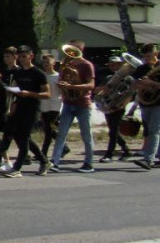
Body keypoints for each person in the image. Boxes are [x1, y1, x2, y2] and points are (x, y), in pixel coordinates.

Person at [2, 45, 51, 177]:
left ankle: (17, 168)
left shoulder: (38, 73)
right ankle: (44, 161)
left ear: (31, 56)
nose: (22, 59)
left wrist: (29, 93)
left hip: (33, 108)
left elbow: (47, 94)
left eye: (24, 56)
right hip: (20, 107)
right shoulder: (18, 73)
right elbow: (18, 90)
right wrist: (14, 103)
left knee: (23, 137)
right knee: (19, 136)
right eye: (20, 57)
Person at [49, 40, 96, 173]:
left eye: (74, 49)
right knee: (61, 134)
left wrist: (72, 86)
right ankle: (54, 161)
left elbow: (91, 85)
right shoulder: (67, 64)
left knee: (86, 135)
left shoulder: (87, 65)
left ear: (81, 49)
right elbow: (61, 80)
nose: (70, 52)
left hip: (83, 103)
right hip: (69, 102)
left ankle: (89, 163)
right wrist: (63, 84)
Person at [96, 54, 133, 162]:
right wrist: (104, 89)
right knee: (113, 131)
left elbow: (130, 93)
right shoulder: (108, 78)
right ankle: (126, 150)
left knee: (113, 131)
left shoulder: (128, 78)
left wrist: (123, 104)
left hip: (119, 106)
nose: (113, 66)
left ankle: (109, 155)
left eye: (115, 64)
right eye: (111, 64)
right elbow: (97, 90)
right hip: (108, 105)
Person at [132, 45, 160, 170]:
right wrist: (140, 86)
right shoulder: (141, 69)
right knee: (151, 131)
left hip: (158, 103)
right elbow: (133, 85)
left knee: (154, 130)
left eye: (149, 56)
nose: (147, 59)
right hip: (145, 103)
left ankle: (148, 159)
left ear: (156, 54)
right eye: (144, 57)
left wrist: (151, 83)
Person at [37, 53, 62, 161]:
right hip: (44, 105)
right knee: (48, 129)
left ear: (53, 63)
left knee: (49, 129)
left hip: (54, 104)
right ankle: (64, 147)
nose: (46, 64)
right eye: (44, 62)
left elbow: (62, 91)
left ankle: (43, 153)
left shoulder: (58, 76)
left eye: (48, 62)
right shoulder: (42, 75)